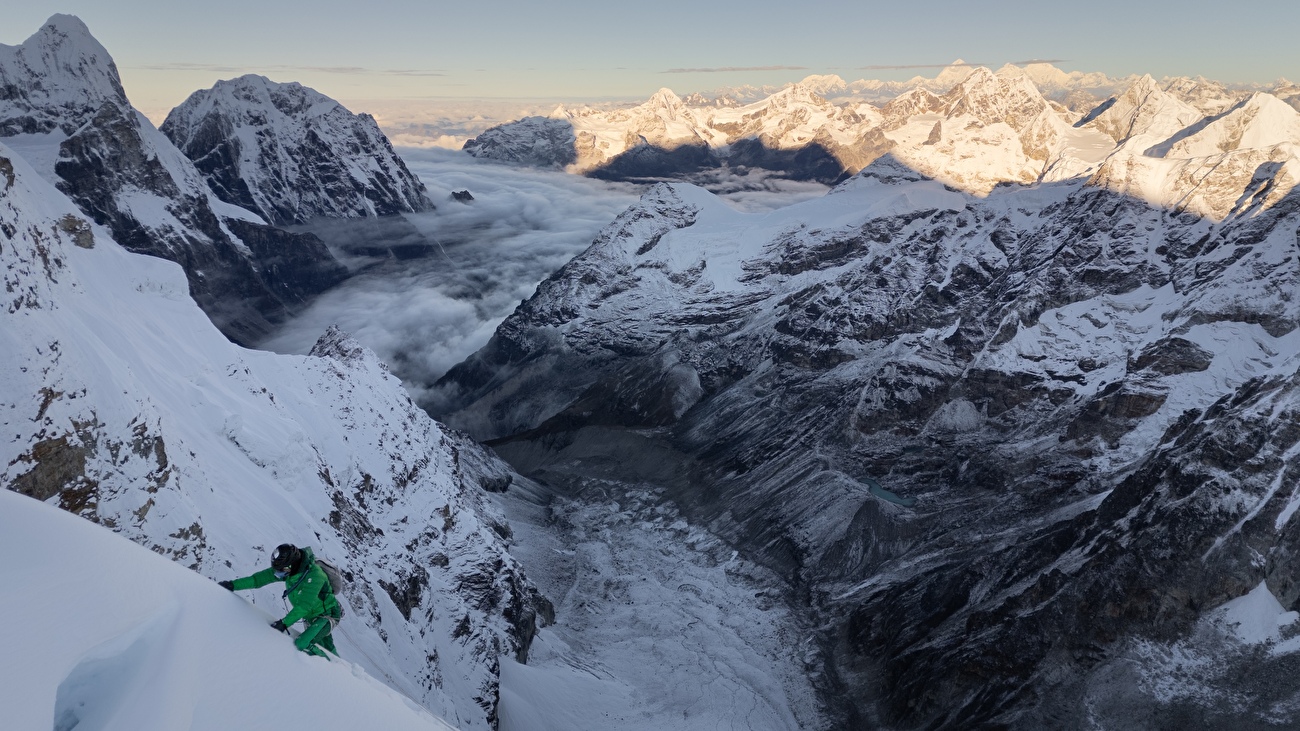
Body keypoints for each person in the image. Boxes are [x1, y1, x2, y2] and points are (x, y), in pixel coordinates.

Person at [219, 543, 342, 658]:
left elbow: (304, 606)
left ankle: (335, 669)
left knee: (302, 643)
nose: (277, 573)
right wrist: (232, 585)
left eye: (281, 570)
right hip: (311, 616)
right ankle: (343, 668)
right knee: (326, 645)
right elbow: (258, 580)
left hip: (327, 615)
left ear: (291, 566)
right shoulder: (288, 571)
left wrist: (284, 623)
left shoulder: (315, 576)